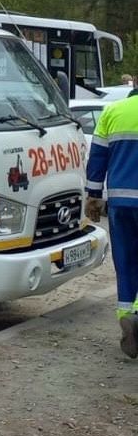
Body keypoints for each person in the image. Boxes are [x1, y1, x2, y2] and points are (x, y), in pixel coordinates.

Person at [85, 94, 138, 360]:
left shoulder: (112, 112)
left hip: (120, 204)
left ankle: (127, 316)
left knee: (125, 263)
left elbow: (97, 158)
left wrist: (93, 196)